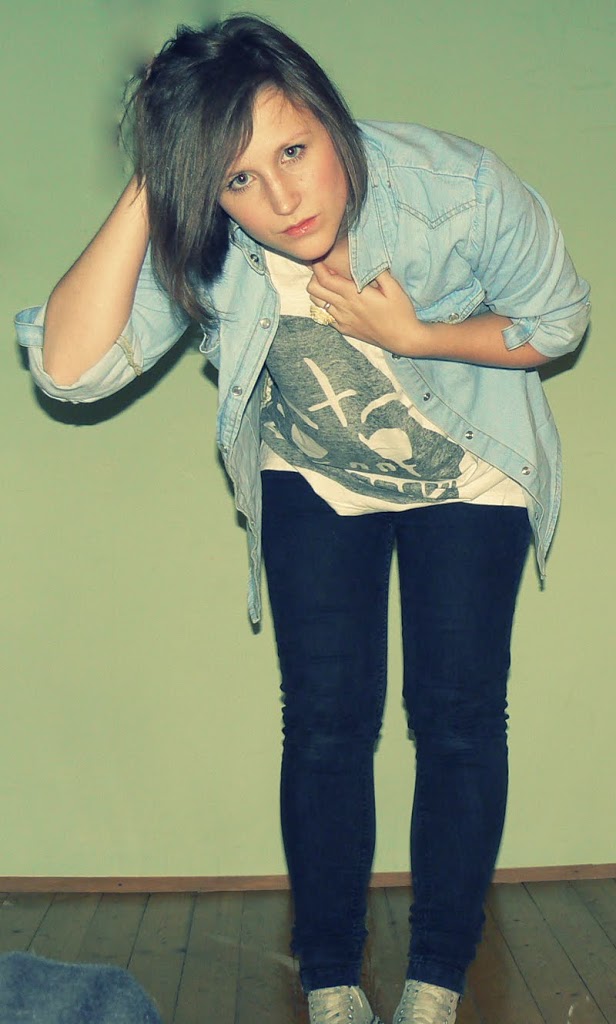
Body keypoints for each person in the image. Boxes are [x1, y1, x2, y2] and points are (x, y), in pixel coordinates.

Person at [15, 14, 590, 1024]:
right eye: (236, 177)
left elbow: (559, 320)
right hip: (315, 476)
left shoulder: (453, 187)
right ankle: (330, 979)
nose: (281, 201)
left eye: (292, 151)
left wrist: (415, 334)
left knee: (458, 717)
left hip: (469, 471)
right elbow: (67, 369)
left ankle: (437, 977)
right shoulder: (208, 239)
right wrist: (160, 169)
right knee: (325, 722)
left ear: (328, 115)